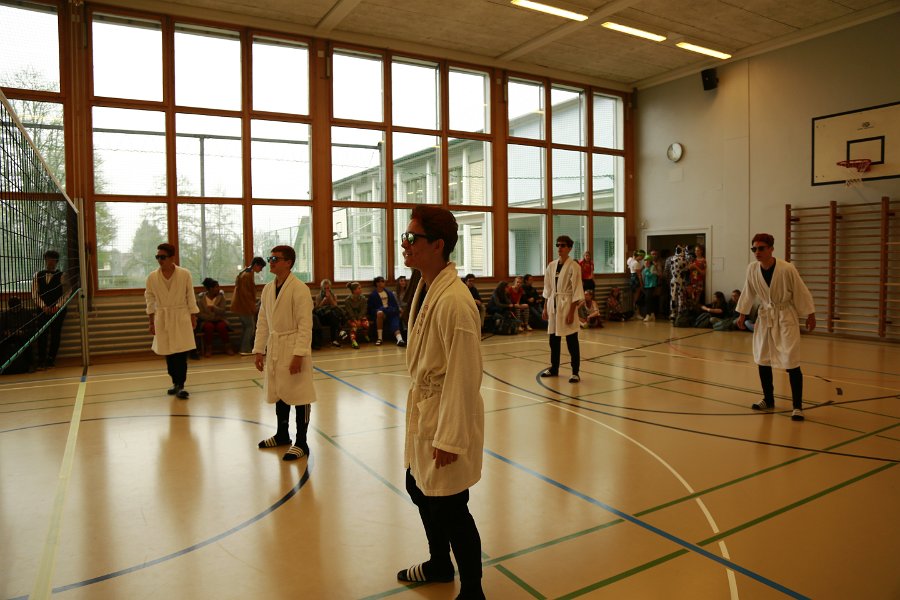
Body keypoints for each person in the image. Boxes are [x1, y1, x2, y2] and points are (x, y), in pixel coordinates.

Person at [395, 205, 485, 600]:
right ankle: (438, 563)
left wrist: (450, 437)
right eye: (405, 236)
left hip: (446, 413)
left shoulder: (455, 302)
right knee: (418, 487)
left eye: (411, 238)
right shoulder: (428, 287)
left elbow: (465, 376)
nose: (405, 244)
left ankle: (473, 590)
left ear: (437, 245)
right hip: (426, 406)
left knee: (451, 506)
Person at [736, 233, 816, 421]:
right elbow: (748, 292)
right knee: (763, 358)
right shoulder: (752, 269)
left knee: (791, 360)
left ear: (771, 249)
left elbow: (801, 291)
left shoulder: (787, 268)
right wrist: (742, 314)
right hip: (765, 316)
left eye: (761, 248)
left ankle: (797, 406)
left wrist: (810, 314)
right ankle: (768, 399)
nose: (757, 252)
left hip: (785, 316)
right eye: (754, 249)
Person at [254, 246, 318, 460]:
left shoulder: (299, 289)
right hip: (275, 346)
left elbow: (305, 325)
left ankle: (302, 442)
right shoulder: (268, 289)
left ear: (288, 262)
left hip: (294, 347)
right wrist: (258, 350)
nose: (270, 262)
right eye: (270, 258)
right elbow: (263, 322)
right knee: (280, 391)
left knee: (300, 394)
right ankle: (282, 434)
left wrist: (299, 354)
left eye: (275, 259)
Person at [145, 243, 199, 399]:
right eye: (157, 257)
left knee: (181, 352)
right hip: (163, 316)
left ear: (172, 258)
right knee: (168, 352)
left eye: (163, 257)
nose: (160, 260)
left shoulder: (184, 274)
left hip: (181, 315)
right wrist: (151, 321)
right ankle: (175, 381)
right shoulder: (152, 277)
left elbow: (190, 296)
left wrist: (193, 316)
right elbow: (149, 299)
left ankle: (181, 385)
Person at [541, 235, 584, 383]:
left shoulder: (574, 266)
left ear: (570, 248)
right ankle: (554, 368)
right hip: (553, 304)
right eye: (558, 245)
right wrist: (545, 308)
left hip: (567, 305)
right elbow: (547, 288)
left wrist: (571, 312)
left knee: (572, 340)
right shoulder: (551, 265)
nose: (560, 248)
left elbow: (577, 290)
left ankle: (575, 372)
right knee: (553, 340)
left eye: (563, 245)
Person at [32, 249, 70, 369]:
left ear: (57, 261)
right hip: (42, 310)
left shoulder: (63, 275)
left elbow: (67, 293)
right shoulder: (37, 275)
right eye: (48, 259)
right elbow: (34, 293)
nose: (50, 262)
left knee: (55, 333)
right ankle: (41, 360)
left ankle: (51, 359)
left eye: (53, 260)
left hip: (58, 310)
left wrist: (57, 307)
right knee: (42, 335)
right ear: (45, 260)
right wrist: (43, 306)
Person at [231, 257, 265, 355]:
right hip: (244, 306)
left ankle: (244, 348)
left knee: (247, 327)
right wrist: (252, 307)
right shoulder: (247, 275)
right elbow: (246, 295)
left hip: (241, 305)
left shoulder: (246, 273)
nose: (261, 270)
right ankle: (245, 349)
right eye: (261, 267)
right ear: (256, 265)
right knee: (250, 327)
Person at [197, 277, 233, 356]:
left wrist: (214, 308)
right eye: (217, 287)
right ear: (211, 288)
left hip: (220, 319)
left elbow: (223, 311)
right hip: (207, 320)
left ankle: (228, 347)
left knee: (222, 326)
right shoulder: (201, 299)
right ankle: (208, 348)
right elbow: (200, 314)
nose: (219, 289)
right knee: (208, 327)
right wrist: (212, 317)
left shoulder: (221, 297)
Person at [367, 276, 405, 347]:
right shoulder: (373, 295)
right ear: (377, 283)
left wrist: (394, 310)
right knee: (380, 313)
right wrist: (380, 310)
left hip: (390, 311)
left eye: (383, 281)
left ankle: (399, 339)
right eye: (382, 281)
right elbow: (371, 309)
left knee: (394, 320)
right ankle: (380, 338)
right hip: (381, 313)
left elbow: (394, 305)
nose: (383, 283)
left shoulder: (389, 293)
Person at [315, 279, 344, 348]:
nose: (326, 290)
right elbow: (316, 309)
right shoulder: (318, 296)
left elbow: (335, 306)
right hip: (322, 318)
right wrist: (323, 301)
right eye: (324, 288)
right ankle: (340, 331)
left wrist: (330, 298)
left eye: (328, 288)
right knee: (332, 316)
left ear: (330, 288)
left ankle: (334, 340)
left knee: (332, 316)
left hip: (331, 318)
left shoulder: (333, 295)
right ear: (322, 288)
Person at [343, 281, 370, 349]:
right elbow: (349, 312)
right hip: (351, 318)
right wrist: (355, 320)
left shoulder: (363, 299)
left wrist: (359, 319)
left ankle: (365, 334)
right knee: (354, 326)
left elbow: (364, 310)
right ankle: (353, 341)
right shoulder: (347, 300)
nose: (361, 290)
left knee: (366, 324)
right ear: (354, 290)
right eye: (359, 288)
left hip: (360, 317)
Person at [626, 249, 645, 318]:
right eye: (642, 257)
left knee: (634, 297)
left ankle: (635, 313)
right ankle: (636, 313)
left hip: (632, 278)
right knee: (636, 297)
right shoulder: (636, 263)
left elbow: (633, 268)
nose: (642, 259)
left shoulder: (630, 260)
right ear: (639, 256)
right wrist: (642, 284)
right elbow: (639, 275)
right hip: (636, 279)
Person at [641, 255, 659, 322]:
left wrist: (646, 268)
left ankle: (648, 315)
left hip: (651, 286)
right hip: (646, 286)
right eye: (645, 260)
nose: (646, 262)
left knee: (648, 300)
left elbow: (650, 275)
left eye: (647, 260)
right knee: (649, 300)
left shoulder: (652, 267)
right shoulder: (646, 267)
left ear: (650, 261)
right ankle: (652, 314)